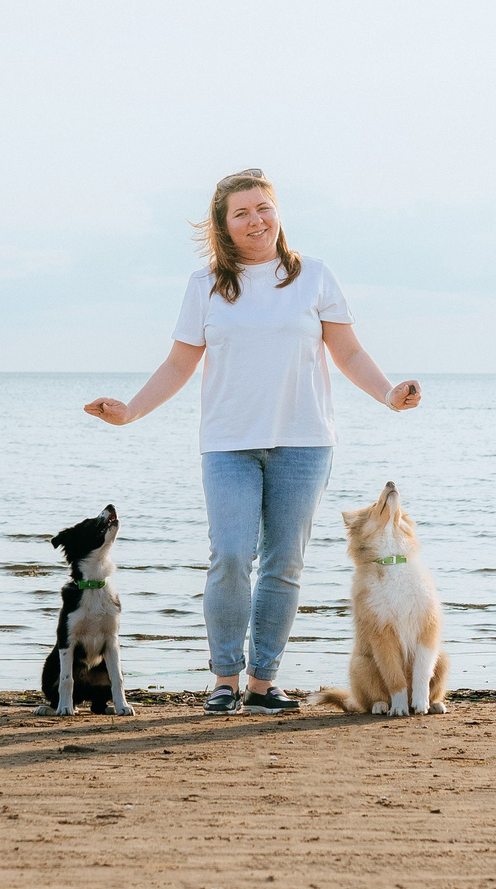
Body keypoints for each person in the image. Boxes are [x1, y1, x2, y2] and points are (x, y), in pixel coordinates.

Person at [84, 169, 421, 712]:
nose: (255, 220)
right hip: (228, 444)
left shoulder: (314, 276)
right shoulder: (205, 285)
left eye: (263, 207)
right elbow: (178, 363)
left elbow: (349, 352)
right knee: (231, 556)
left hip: (305, 443)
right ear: (223, 225)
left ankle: (263, 683)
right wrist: (130, 412)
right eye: (240, 213)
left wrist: (388, 394)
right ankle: (225, 679)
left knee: (284, 563)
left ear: (277, 211)